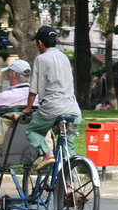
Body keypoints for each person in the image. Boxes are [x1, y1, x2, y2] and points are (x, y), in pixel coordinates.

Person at [22, 26, 82, 171]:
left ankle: (47, 154)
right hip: (73, 110)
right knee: (68, 149)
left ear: (40, 43)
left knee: (32, 131)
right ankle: (70, 182)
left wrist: (28, 108)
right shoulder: (64, 57)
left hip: (52, 108)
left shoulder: (40, 59)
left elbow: (33, 89)